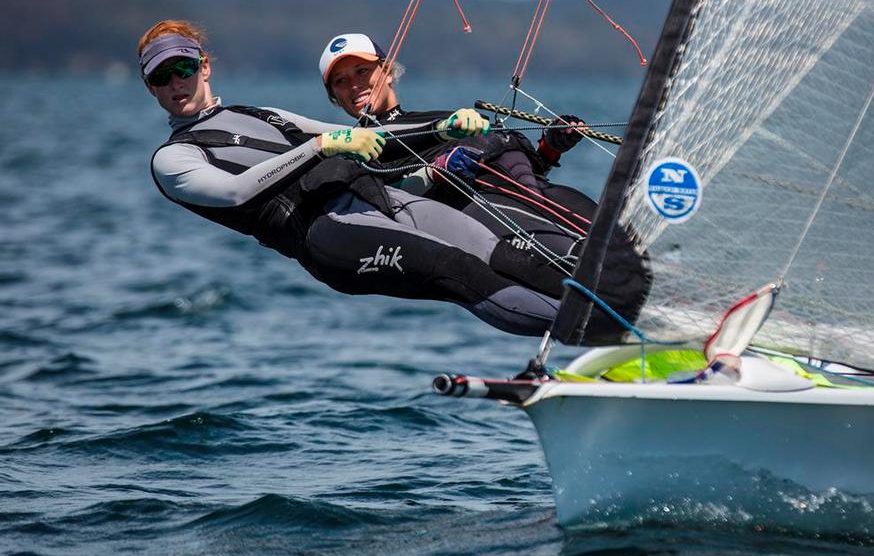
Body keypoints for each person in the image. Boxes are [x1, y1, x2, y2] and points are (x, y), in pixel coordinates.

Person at [142, 19, 567, 336]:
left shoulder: (258, 113)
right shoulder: (174, 157)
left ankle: (610, 311)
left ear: (204, 67)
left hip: (378, 199)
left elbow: (363, 136)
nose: (176, 83)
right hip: (328, 233)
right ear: (151, 89)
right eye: (161, 77)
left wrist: (441, 129)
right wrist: (319, 148)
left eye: (182, 68)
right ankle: (595, 332)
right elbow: (235, 192)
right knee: (457, 269)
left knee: (500, 252)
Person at [318, 33, 598, 266]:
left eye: (362, 71)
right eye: (340, 81)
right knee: (577, 255)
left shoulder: (435, 117)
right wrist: (435, 172)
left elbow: (519, 174)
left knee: (615, 235)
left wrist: (549, 148)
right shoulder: (359, 147)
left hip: (530, 190)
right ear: (334, 98)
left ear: (388, 72)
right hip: (484, 208)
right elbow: (386, 199)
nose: (354, 84)